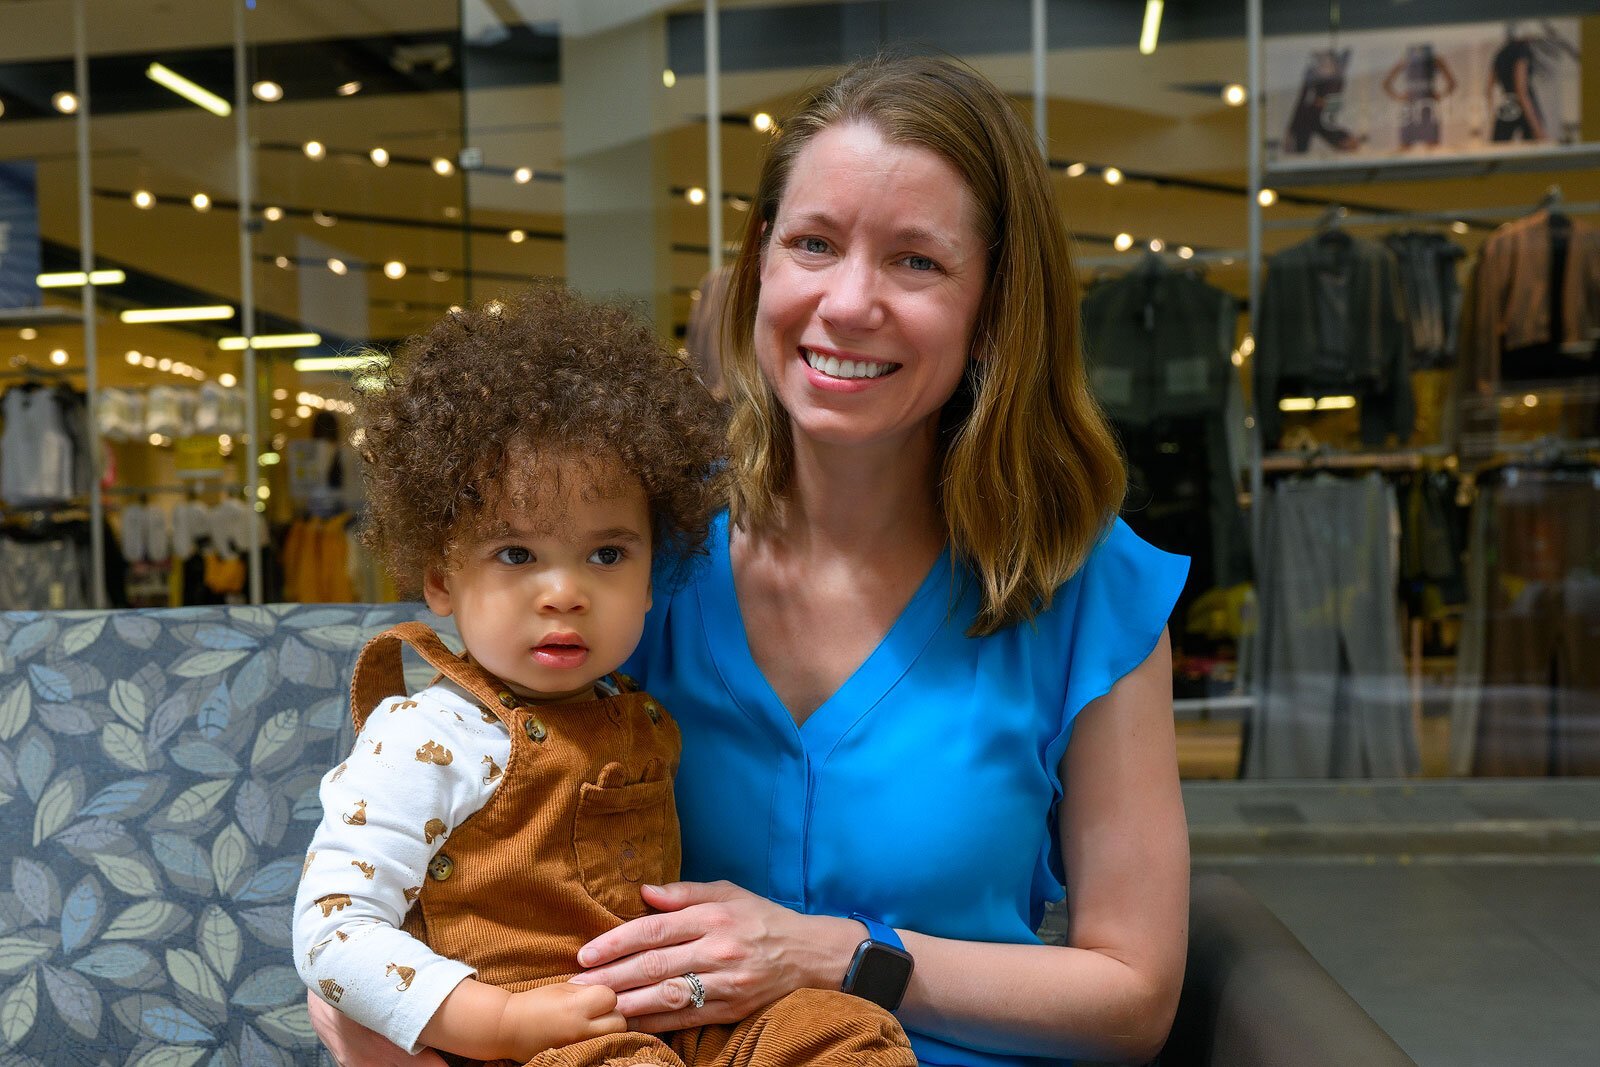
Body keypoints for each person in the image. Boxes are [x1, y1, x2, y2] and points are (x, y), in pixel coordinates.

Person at [312, 53, 1191, 1067]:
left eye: (916, 261)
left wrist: (839, 956)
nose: (849, 302)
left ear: (993, 304)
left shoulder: (1084, 587)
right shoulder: (636, 557)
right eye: (813, 243)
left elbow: (1134, 996)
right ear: (760, 263)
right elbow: (402, 894)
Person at [293, 287, 916, 1066]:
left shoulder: (642, 715)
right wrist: (491, 1021)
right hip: (525, 1035)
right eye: (516, 554)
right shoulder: (428, 737)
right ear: (440, 578)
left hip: (669, 1017)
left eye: (608, 554)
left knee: (840, 1028)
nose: (566, 592)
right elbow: (333, 929)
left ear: (656, 578)